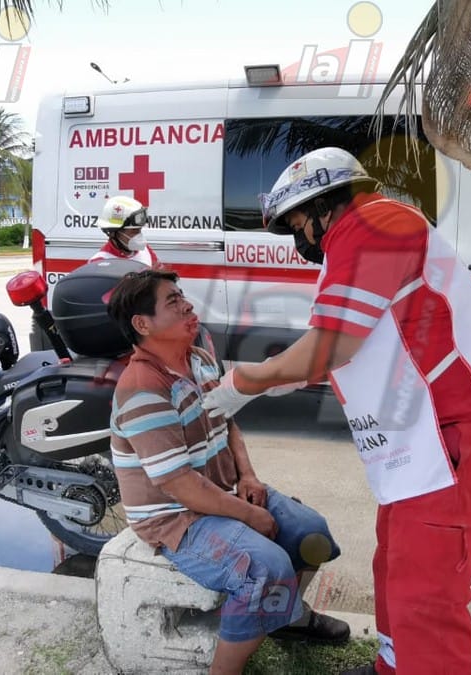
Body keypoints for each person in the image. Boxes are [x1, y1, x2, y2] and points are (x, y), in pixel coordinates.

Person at [202, 147, 471, 675]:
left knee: (426, 593)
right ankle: (392, 666)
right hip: (420, 438)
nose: (300, 241)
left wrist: (246, 381)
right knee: (394, 562)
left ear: (323, 205)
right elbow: (365, 336)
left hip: (451, 434)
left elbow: (331, 343)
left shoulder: (372, 225)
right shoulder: (367, 230)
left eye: (297, 225)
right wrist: (290, 376)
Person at [105, 268, 351, 675]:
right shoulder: (142, 388)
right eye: (173, 302)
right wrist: (250, 514)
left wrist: (248, 478)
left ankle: (288, 619)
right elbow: (180, 485)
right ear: (142, 324)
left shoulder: (200, 360)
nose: (188, 305)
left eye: (182, 296)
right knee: (264, 567)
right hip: (175, 517)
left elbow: (228, 420)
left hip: (220, 493)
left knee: (313, 534)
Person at [90, 195, 159, 266]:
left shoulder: (145, 250)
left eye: (139, 230)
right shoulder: (99, 263)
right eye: (134, 231)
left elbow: (159, 270)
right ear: (113, 232)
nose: (139, 236)